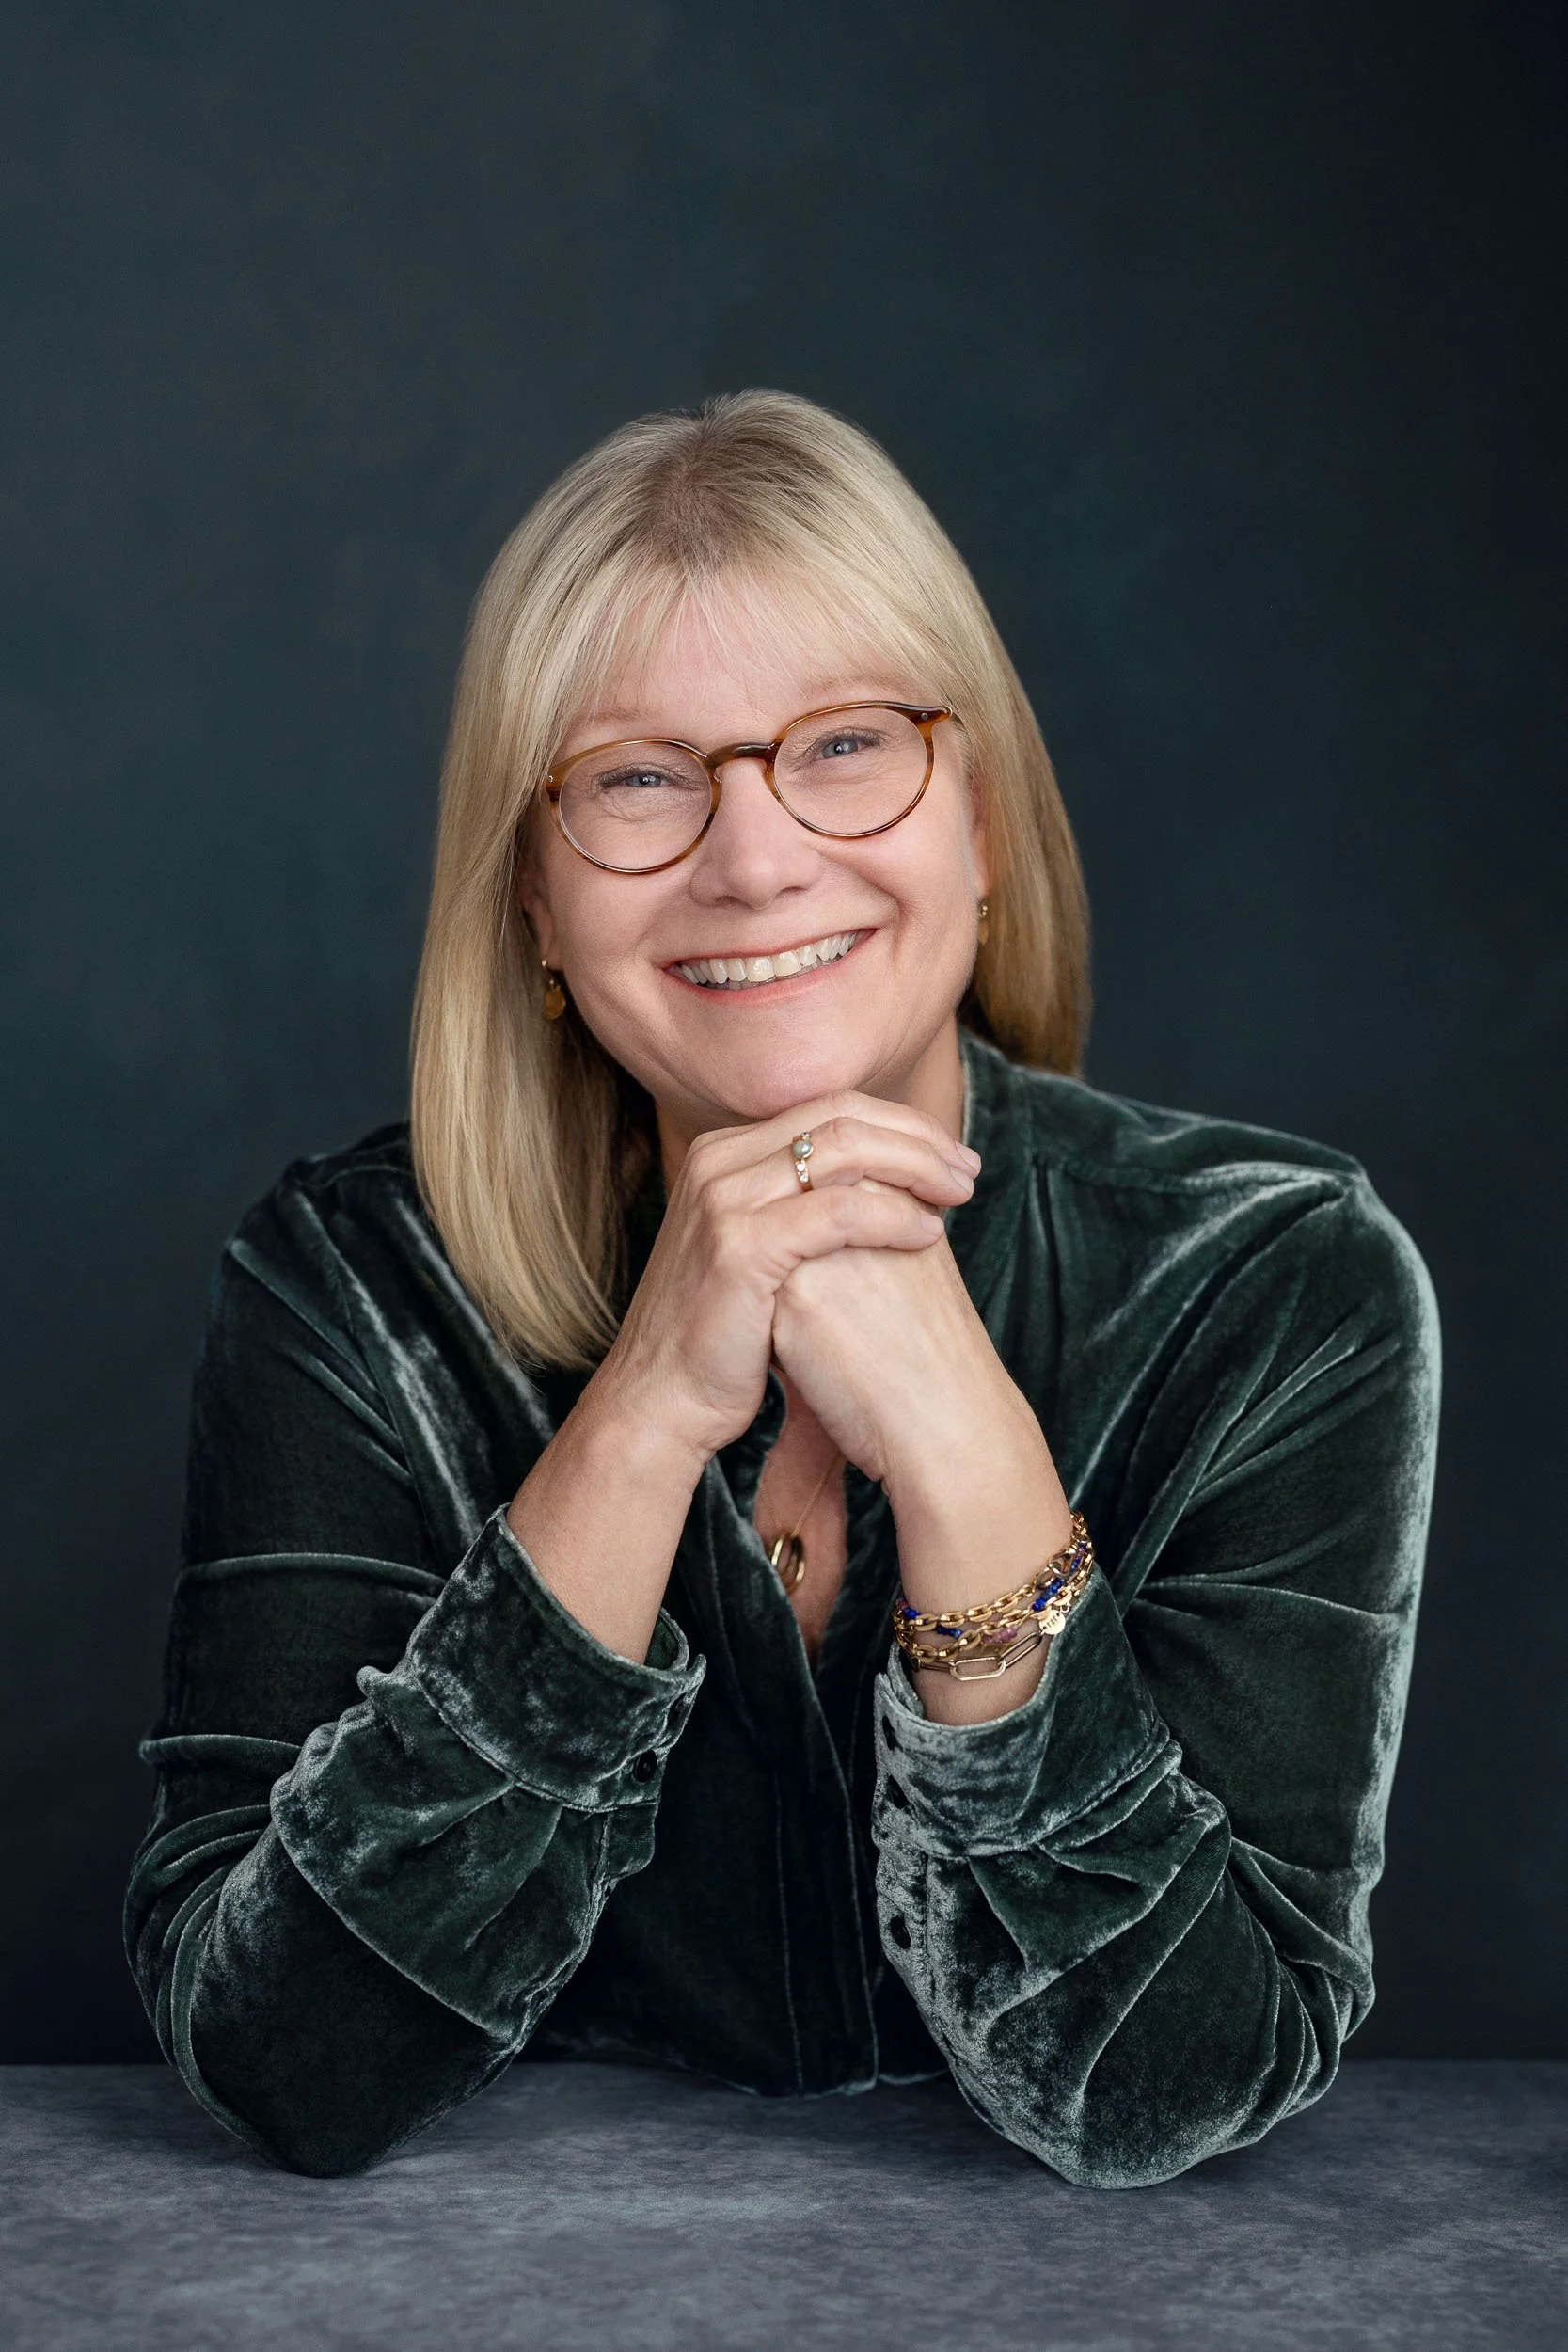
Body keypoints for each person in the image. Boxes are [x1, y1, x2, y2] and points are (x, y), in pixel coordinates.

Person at [125, 391, 1440, 2186]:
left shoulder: (1279, 1282)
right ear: (528, 895)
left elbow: (1173, 2086)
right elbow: (284, 2061)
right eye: (638, 779)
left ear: (979, 821)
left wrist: (973, 1454)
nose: (752, 859)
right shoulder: (348, 1285)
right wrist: (644, 1413)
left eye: (842, 746)